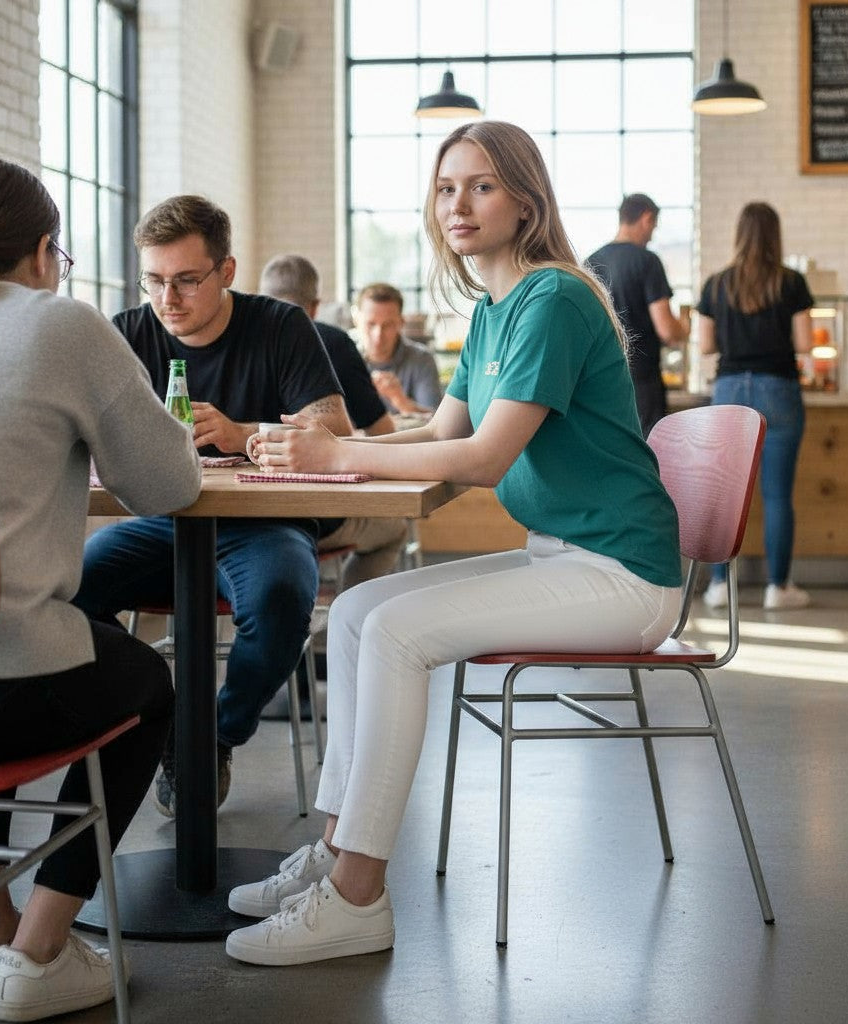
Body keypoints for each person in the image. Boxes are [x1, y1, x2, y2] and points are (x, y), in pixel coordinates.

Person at [223, 120, 683, 967]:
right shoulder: (496, 308)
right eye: (445, 188)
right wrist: (310, 449)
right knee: (359, 608)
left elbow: (482, 458)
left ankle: (359, 899)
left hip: (626, 578)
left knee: (394, 631)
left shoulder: (554, 298)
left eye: (480, 186)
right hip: (566, 558)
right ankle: (334, 851)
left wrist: (339, 454)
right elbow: (438, 427)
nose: (458, 205)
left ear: (525, 201)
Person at [0, 160, 200, 1020]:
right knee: (146, 682)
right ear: (47, 250)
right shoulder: (62, 325)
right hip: (3, 682)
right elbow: (168, 487)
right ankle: (39, 949)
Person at [73, 196, 352, 817]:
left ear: (226, 272)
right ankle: (160, 707)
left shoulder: (279, 325)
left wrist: (242, 432)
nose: (167, 299)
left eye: (185, 281)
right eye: (154, 281)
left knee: (281, 599)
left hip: (263, 523)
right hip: (161, 521)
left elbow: (334, 427)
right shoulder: (127, 333)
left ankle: (212, 734)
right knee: (70, 591)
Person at [259, 254, 409, 590]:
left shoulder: (239, 340)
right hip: (315, 515)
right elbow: (380, 431)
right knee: (395, 527)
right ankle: (345, 620)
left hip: (233, 517)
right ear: (314, 307)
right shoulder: (333, 342)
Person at [696, 201, 813, 612]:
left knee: (722, 495)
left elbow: (707, 345)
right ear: (775, 236)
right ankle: (778, 589)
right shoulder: (792, 282)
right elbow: (804, 344)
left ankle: (717, 586)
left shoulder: (716, 285)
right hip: (778, 389)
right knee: (778, 496)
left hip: (728, 391)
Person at [587, 193, 691, 437]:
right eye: (654, 226)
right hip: (641, 381)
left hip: (599, 379)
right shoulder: (647, 261)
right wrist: (684, 327)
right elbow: (667, 330)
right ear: (646, 218)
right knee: (646, 454)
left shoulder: (590, 263)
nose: (653, 233)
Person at [355, 282, 443, 415]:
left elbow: (438, 422)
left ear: (401, 323)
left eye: (388, 325)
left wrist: (401, 401)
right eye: (371, 324)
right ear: (356, 320)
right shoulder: (341, 358)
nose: (378, 335)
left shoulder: (422, 359)